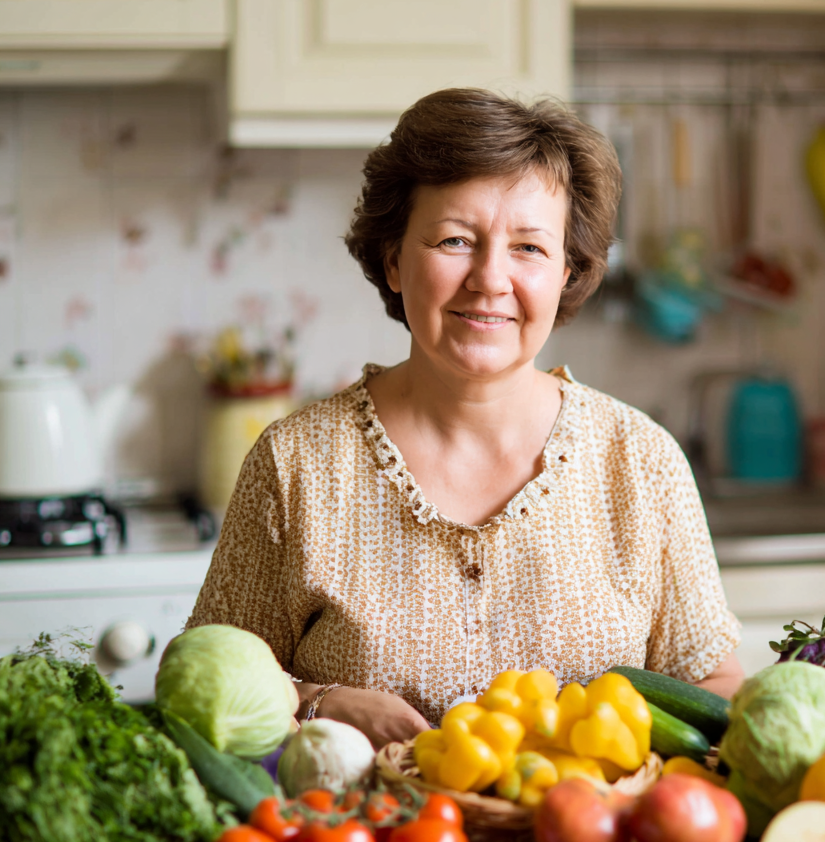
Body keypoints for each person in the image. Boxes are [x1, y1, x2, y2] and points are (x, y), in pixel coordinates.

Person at [187, 88, 743, 749]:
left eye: (529, 249)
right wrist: (316, 702)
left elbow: (714, 686)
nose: (490, 278)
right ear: (394, 260)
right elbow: (206, 682)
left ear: (568, 272)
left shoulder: (640, 460)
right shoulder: (296, 464)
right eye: (455, 240)